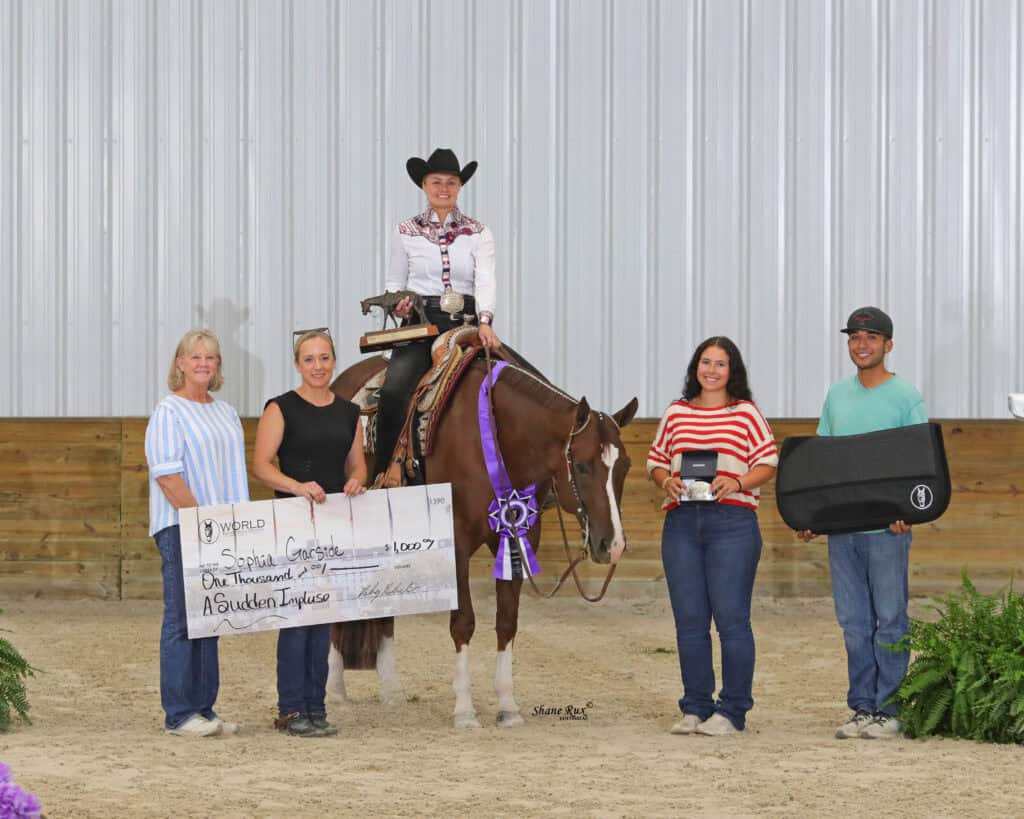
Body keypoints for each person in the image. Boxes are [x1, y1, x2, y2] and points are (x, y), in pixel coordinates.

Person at [797, 307, 927, 740]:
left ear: (888, 345)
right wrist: (813, 516)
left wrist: (908, 514)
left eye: (871, 337)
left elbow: (918, 463)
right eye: (854, 337)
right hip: (843, 530)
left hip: (887, 532)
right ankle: (862, 707)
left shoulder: (906, 397)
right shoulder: (837, 396)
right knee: (853, 623)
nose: (861, 344)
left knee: (890, 620)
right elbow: (823, 463)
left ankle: (889, 709)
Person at [647, 337, 778, 736]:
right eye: (706, 362)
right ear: (695, 368)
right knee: (689, 622)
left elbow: (768, 462)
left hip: (732, 523)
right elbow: (655, 461)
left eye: (721, 364)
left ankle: (733, 711)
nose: (712, 370)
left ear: (732, 370)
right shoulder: (676, 412)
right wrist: (666, 481)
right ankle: (696, 706)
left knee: (732, 620)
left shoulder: (746, 413)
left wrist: (737, 482)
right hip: (682, 523)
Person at [253, 329, 367, 738]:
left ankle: (315, 707)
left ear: (333, 361)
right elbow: (261, 465)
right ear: (297, 365)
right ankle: (291, 708)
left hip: (332, 525)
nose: (318, 366)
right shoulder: (280, 408)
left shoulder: (350, 413)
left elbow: (358, 465)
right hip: (293, 522)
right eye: (309, 359)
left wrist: (356, 480)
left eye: (324, 358)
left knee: (323, 617)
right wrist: (297, 486)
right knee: (296, 618)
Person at [374, 147, 502, 484]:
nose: (443, 188)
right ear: (424, 186)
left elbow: (485, 279)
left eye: (450, 182)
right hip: (421, 320)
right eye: (436, 182)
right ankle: (385, 470)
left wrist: (486, 321)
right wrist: (398, 303)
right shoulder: (405, 231)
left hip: (467, 321)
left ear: (459, 187)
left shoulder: (479, 232)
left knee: (513, 381)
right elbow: (394, 281)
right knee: (395, 389)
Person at [144, 329, 249, 737]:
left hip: (222, 528)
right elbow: (168, 476)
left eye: (211, 357)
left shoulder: (226, 412)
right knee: (182, 619)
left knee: (212, 617)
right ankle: (179, 714)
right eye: (195, 357)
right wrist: (199, 522)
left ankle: (204, 708)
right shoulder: (169, 412)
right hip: (182, 527)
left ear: (218, 364)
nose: (203, 363)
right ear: (180, 363)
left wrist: (234, 525)